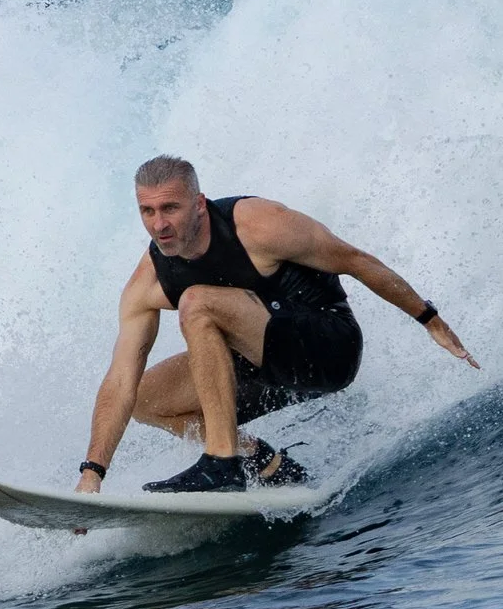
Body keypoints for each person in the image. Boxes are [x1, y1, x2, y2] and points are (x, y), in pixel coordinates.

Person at [73, 155, 477, 494]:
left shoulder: (258, 225)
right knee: (145, 397)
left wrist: (429, 319)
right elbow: (120, 381)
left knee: (197, 303)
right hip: (260, 365)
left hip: (326, 348)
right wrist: (93, 473)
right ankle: (267, 465)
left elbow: (356, 261)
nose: (159, 224)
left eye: (170, 209)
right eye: (148, 211)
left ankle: (222, 463)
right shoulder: (149, 280)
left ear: (198, 204)